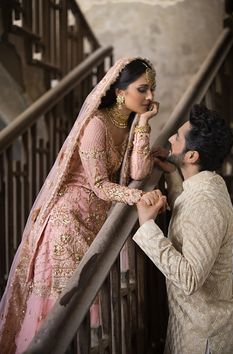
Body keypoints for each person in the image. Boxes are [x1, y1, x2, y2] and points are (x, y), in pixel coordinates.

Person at [0, 57, 160, 353]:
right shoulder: (96, 125)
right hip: (67, 223)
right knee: (64, 305)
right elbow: (99, 185)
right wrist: (138, 196)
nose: (150, 97)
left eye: (152, 89)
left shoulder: (127, 124)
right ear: (120, 92)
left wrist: (143, 125)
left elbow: (138, 173)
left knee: (88, 301)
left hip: (95, 220)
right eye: (143, 89)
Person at [133, 104, 233, 354]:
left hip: (204, 338)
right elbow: (194, 220)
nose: (169, 138)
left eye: (177, 137)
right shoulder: (207, 184)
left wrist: (147, 227)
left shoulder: (206, 203)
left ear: (192, 156)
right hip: (195, 326)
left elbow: (189, 279)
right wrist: (172, 175)